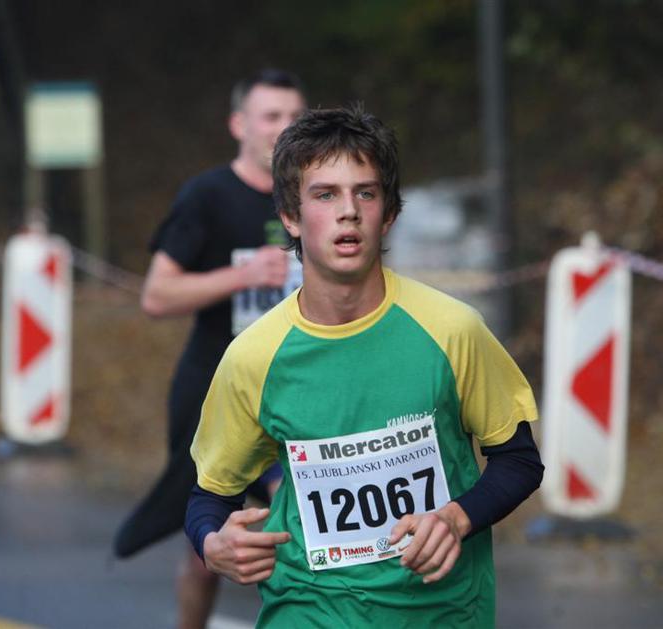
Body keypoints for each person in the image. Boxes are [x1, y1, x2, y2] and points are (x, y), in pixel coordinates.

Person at [184, 105, 544, 628]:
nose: (348, 211)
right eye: (325, 195)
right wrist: (212, 543)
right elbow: (210, 496)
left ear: (388, 213)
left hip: (439, 613)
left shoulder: (451, 330)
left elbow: (519, 460)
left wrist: (456, 517)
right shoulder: (254, 356)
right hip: (307, 609)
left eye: (366, 193)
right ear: (290, 216)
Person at [113, 69, 307, 629]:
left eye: (295, 116)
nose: (283, 128)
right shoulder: (207, 196)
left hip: (296, 388)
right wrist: (242, 276)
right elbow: (157, 295)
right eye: (271, 116)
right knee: (208, 554)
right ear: (238, 124)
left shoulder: (316, 195)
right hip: (214, 389)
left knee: (299, 525)